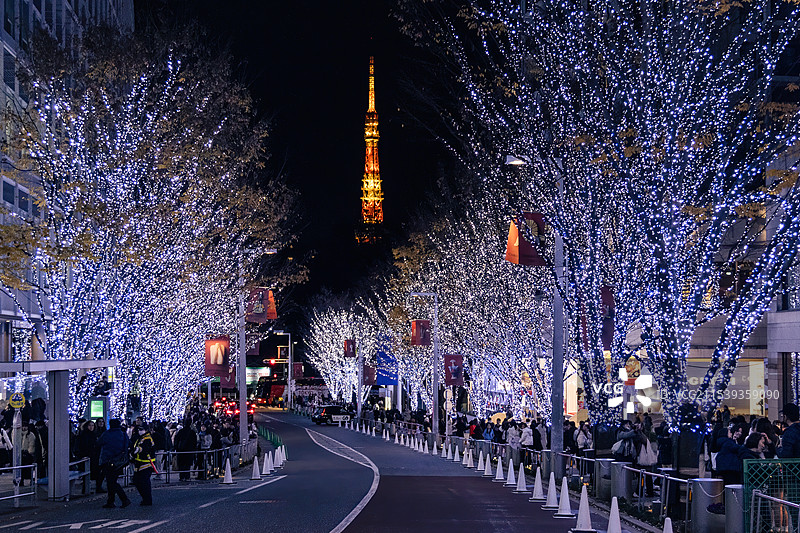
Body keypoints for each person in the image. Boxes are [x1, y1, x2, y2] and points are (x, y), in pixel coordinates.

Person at [97, 419, 131, 509]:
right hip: (120, 461)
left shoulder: (107, 434)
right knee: (112, 481)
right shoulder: (123, 434)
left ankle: (123, 499)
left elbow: (98, 443)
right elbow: (128, 444)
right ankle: (111, 501)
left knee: (111, 482)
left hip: (108, 461)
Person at [131, 424, 155, 506]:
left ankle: (147, 500)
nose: (139, 431)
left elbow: (146, 448)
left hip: (146, 463)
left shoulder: (147, 438)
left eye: (141, 429)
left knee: (144, 483)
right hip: (139, 463)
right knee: (137, 481)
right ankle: (145, 499)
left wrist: (139, 449)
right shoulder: (141, 438)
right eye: (139, 429)